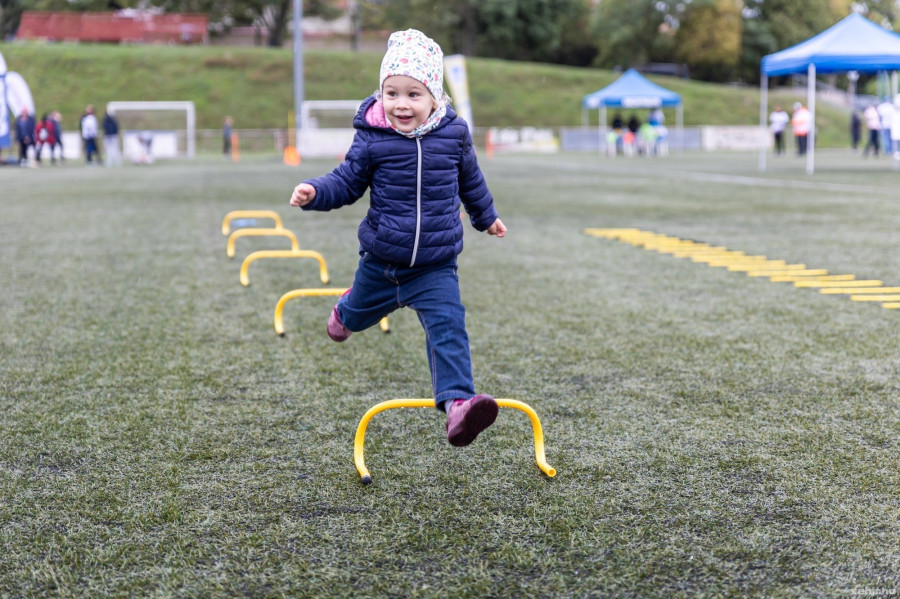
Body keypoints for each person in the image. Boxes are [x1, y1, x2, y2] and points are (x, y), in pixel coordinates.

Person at [289, 29, 507, 448]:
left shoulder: (454, 134)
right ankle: (345, 311)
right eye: (392, 93)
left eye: (412, 94)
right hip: (382, 263)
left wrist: (487, 217)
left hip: (435, 265)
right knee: (354, 316)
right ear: (381, 93)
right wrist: (315, 192)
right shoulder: (373, 139)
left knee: (449, 328)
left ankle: (458, 406)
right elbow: (346, 182)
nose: (401, 104)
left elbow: (471, 182)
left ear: (434, 97)